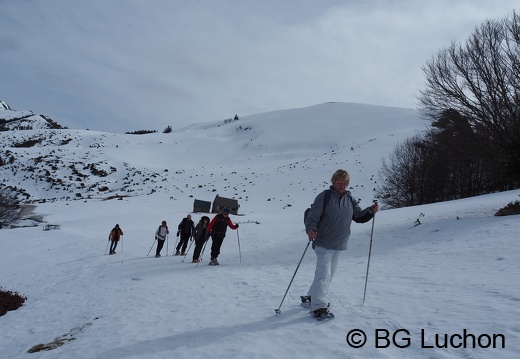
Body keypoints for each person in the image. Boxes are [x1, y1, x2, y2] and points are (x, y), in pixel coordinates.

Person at [304, 169, 379, 319]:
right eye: (340, 182)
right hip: (323, 241)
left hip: (339, 242)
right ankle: (319, 306)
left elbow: (357, 216)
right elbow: (312, 216)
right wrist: (310, 229)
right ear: (333, 182)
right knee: (323, 273)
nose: (342, 185)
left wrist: (371, 211)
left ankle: (312, 296)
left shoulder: (350, 199)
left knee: (329, 273)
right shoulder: (324, 197)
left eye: (346, 183)